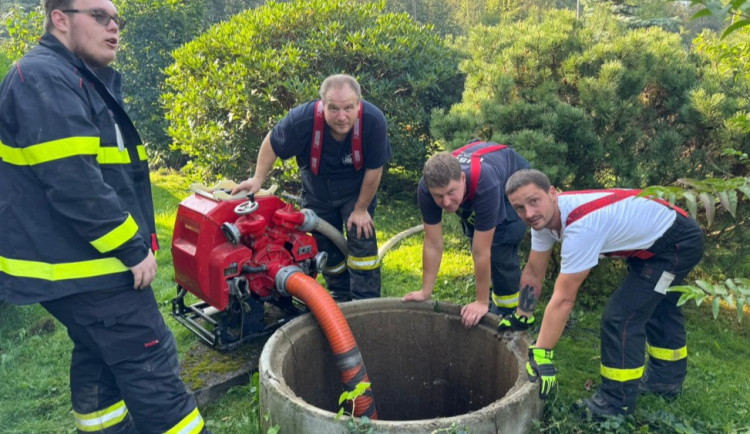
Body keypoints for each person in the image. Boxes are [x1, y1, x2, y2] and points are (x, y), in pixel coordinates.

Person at [0, 1, 207, 432]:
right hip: (91, 268)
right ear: (60, 18)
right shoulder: (44, 77)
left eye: (117, 19)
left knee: (97, 355)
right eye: (99, 16)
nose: (114, 27)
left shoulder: (73, 77)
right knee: (150, 361)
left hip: (73, 268)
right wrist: (132, 249)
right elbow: (75, 183)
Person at [504, 169, 704, 418]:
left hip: (677, 244)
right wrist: (522, 314)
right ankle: (666, 381)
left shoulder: (581, 226)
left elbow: (565, 298)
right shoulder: (543, 221)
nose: (529, 213)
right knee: (659, 307)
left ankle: (614, 405)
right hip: (657, 242)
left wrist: (542, 352)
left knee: (621, 317)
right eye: (519, 208)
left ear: (553, 193)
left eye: (534, 201)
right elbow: (533, 273)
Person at [232, 74, 391, 301]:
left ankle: (366, 303)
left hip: (356, 192)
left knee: (361, 239)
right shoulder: (302, 120)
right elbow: (272, 143)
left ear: (359, 104)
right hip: (317, 190)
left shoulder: (373, 122)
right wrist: (257, 179)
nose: (342, 116)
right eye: (334, 108)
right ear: (322, 104)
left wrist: (361, 209)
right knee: (324, 244)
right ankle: (340, 294)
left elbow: (375, 169)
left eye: (348, 108)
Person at [402, 141, 531, 328]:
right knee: (475, 236)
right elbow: (432, 243)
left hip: (514, 182)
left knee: (499, 248)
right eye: (438, 196)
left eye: (451, 192)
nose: (446, 202)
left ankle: (511, 315)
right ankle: (487, 299)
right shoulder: (426, 188)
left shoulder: (485, 183)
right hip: (478, 184)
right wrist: (425, 292)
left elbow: (482, 251)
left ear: (462, 178)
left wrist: (480, 302)